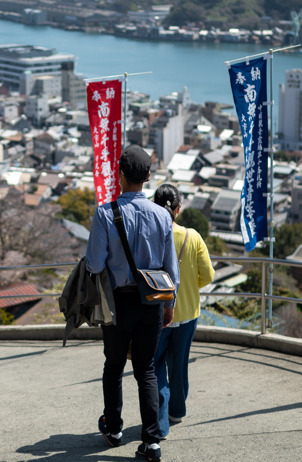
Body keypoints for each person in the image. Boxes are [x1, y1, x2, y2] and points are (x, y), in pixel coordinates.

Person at [86, 145, 179, 462]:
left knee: (113, 367)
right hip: (153, 302)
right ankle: (151, 442)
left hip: (118, 303)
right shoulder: (162, 215)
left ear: (120, 174)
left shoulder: (105, 213)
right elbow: (171, 270)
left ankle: (113, 429)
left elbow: (95, 265)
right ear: (149, 177)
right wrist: (169, 306)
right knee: (147, 370)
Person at [151, 184, 215, 439]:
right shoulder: (193, 236)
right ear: (179, 209)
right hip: (187, 312)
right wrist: (189, 285)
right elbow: (208, 275)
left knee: (154, 366)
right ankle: (176, 411)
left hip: (157, 313)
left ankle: (160, 415)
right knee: (179, 364)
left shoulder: (151, 234)